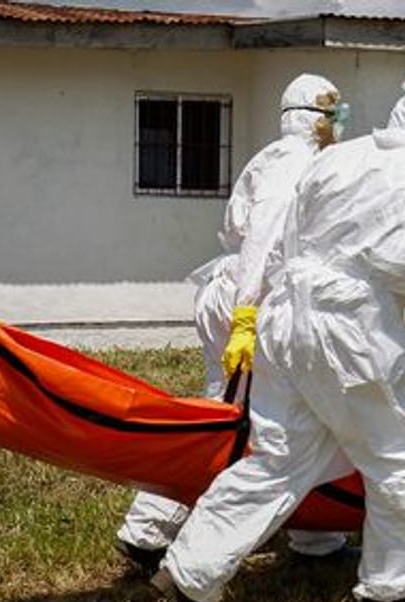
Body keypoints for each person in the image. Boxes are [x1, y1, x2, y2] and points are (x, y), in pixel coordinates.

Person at [149, 57, 405, 602]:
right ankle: (393, 590)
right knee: (400, 456)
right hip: (355, 326)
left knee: (276, 458)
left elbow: (287, 242)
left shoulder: (338, 157)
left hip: (286, 317)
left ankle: (192, 575)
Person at [116, 74, 353, 576]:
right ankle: (150, 529)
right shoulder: (296, 162)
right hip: (255, 297)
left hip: (247, 294)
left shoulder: (274, 156)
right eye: (334, 114)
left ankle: (316, 534)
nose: (340, 124)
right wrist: (248, 312)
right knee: (240, 419)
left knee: (268, 413)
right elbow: (263, 237)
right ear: (317, 117)